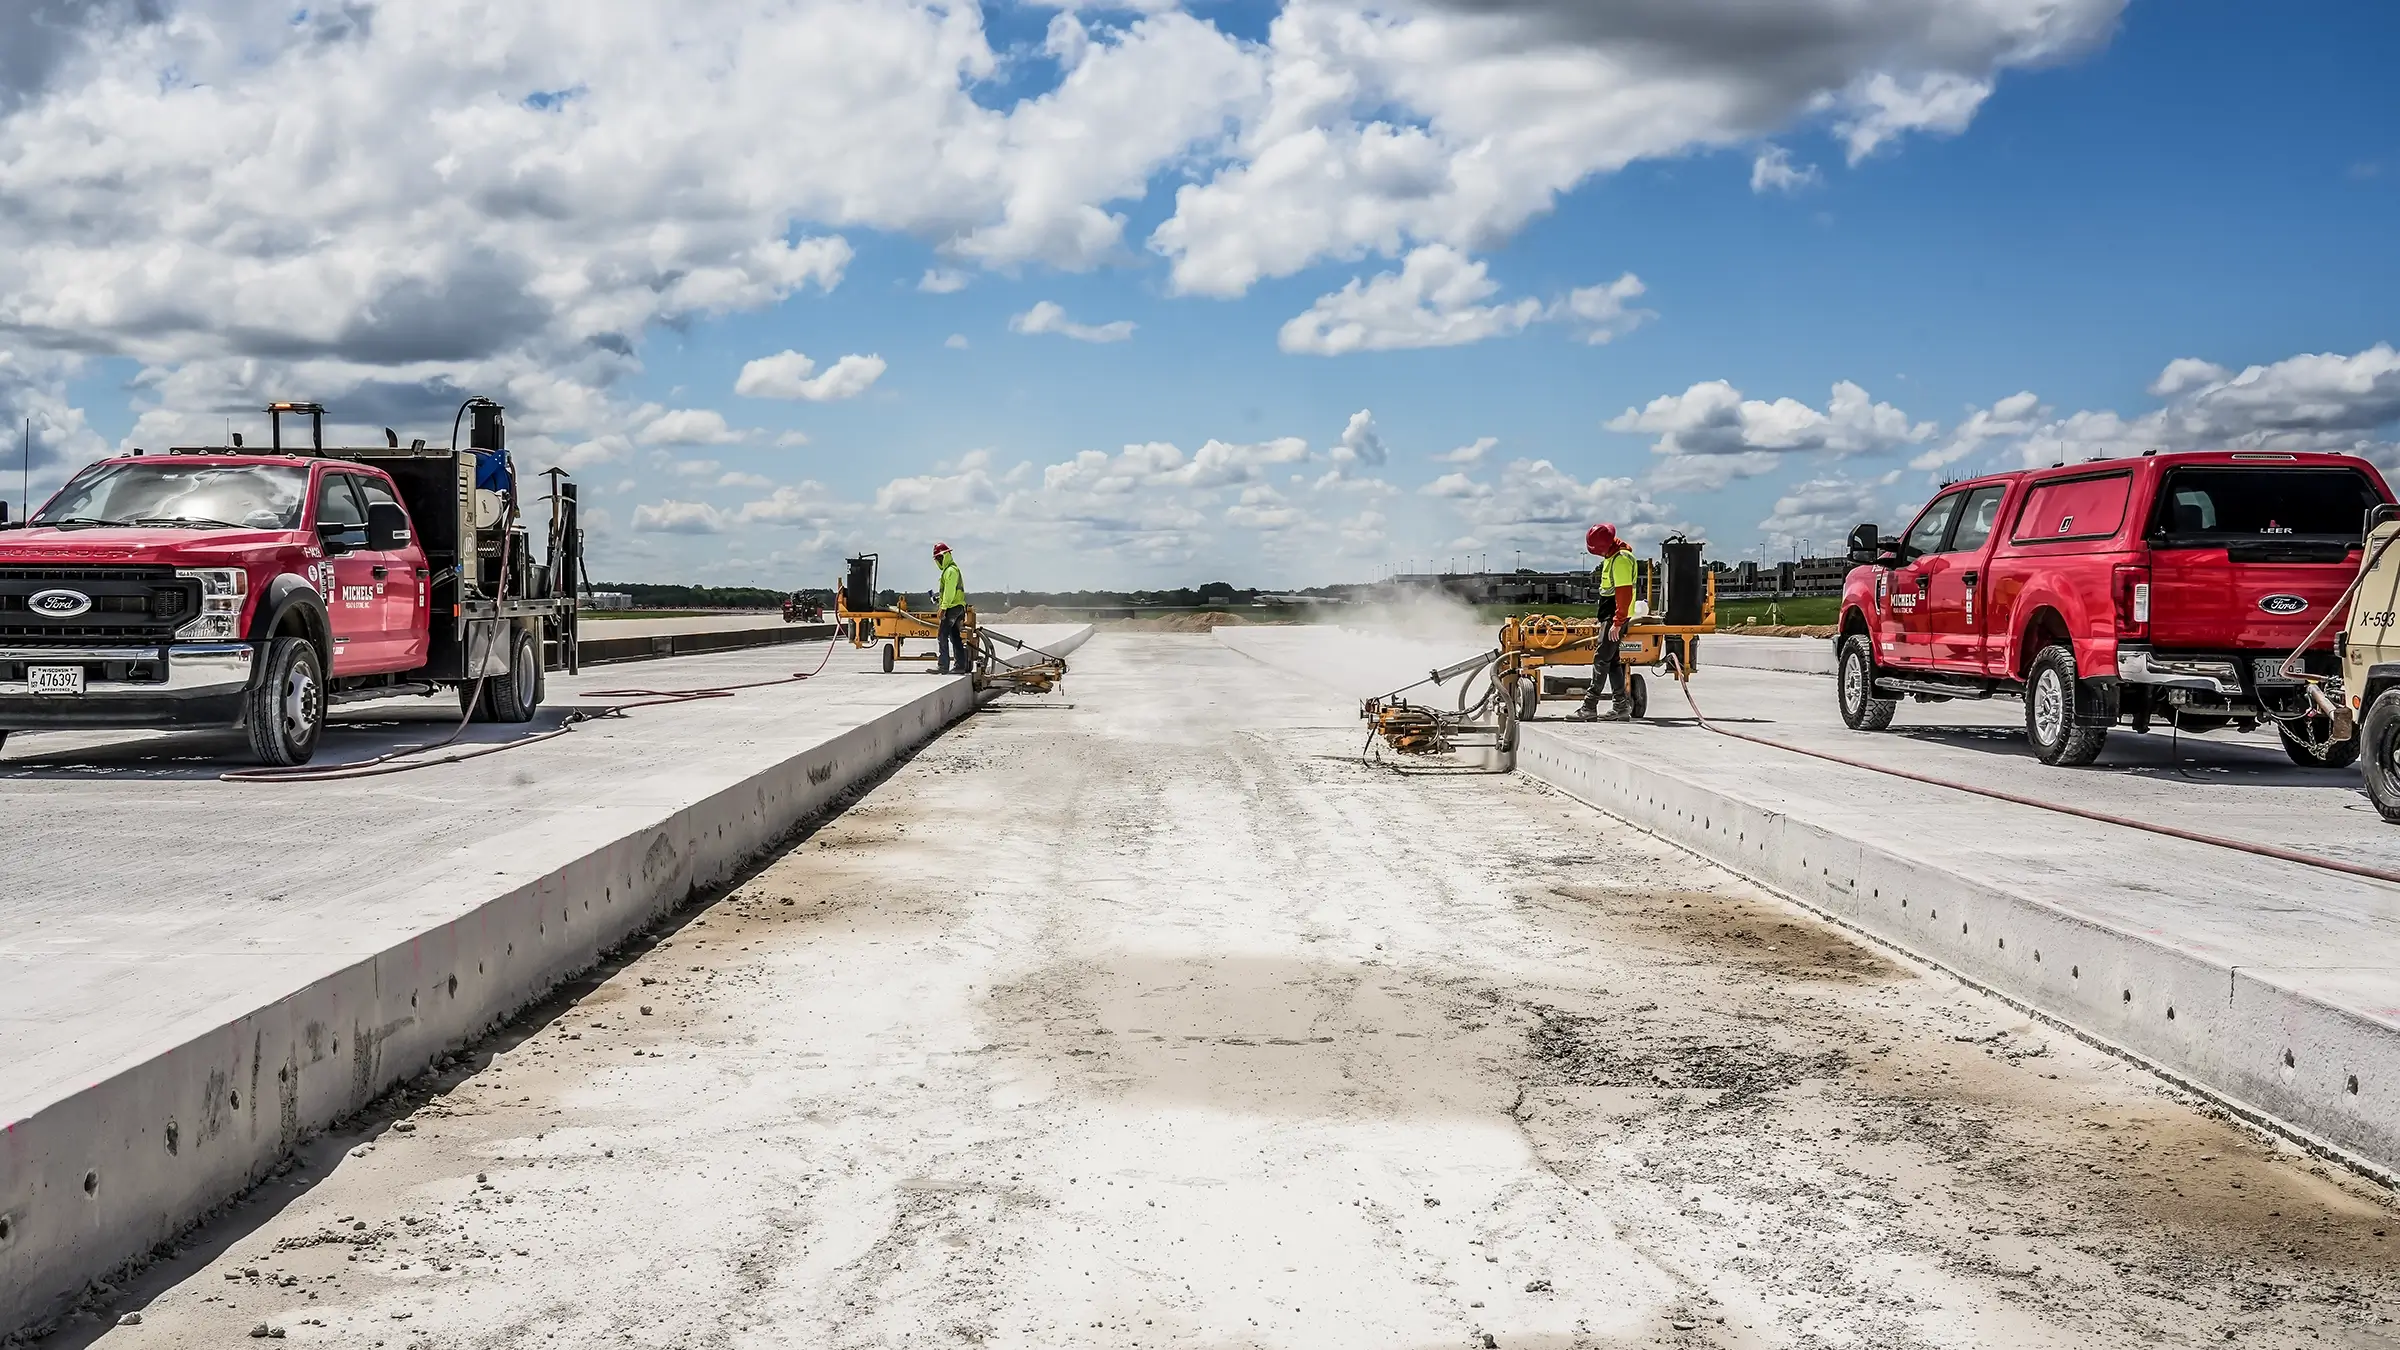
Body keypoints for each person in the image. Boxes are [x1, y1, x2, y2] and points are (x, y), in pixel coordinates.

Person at [1576, 523, 1638, 721]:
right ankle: (1621, 707)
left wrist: (1617, 622)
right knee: (1612, 662)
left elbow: (1623, 592)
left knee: (1601, 659)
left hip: (1615, 617)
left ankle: (1589, 706)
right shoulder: (1613, 556)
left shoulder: (1620, 559)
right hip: (1610, 617)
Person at [933, 542, 970, 676]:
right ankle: (960, 666)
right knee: (954, 637)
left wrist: (943, 607)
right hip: (958, 607)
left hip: (952, 608)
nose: (938, 561)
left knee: (942, 634)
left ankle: (943, 665)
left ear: (945, 556)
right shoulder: (952, 570)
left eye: (939, 558)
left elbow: (949, 591)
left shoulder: (950, 571)